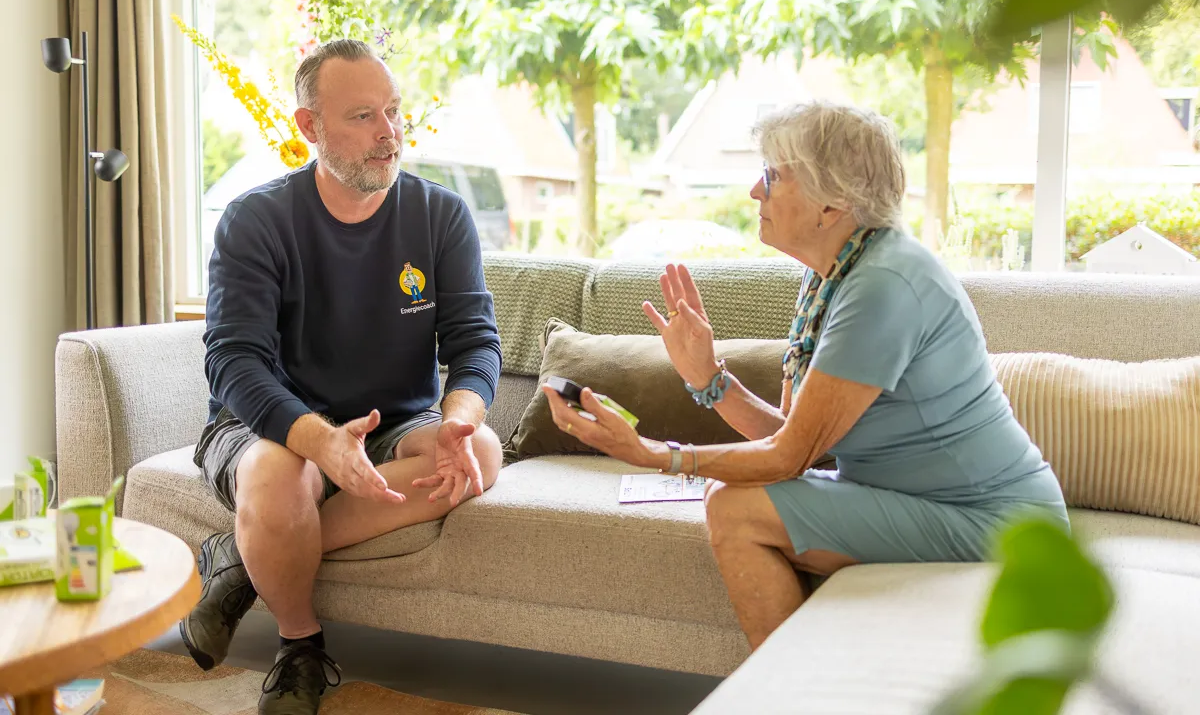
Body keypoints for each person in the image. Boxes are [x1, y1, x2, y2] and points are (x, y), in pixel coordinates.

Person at [543, 101, 1069, 652]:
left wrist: (656, 454)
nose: (754, 191)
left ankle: (788, 696)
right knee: (737, 499)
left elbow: (790, 455)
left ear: (833, 200)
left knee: (734, 507)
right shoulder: (833, 276)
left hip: (997, 524)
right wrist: (708, 377)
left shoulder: (885, 284)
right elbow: (801, 438)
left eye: (773, 175)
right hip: (921, 500)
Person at [182, 39, 504, 714]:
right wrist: (319, 440)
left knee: (477, 452)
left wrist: (458, 417)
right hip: (265, 425)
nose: (388, 133)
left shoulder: (439, 215)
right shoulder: (256, 220)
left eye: (392, 112)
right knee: (281, 474)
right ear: (310, 126)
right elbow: (233, 360)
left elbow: (475, 343)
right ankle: (301, 647)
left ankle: (242, 559)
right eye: (363, 116)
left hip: (393, 423)